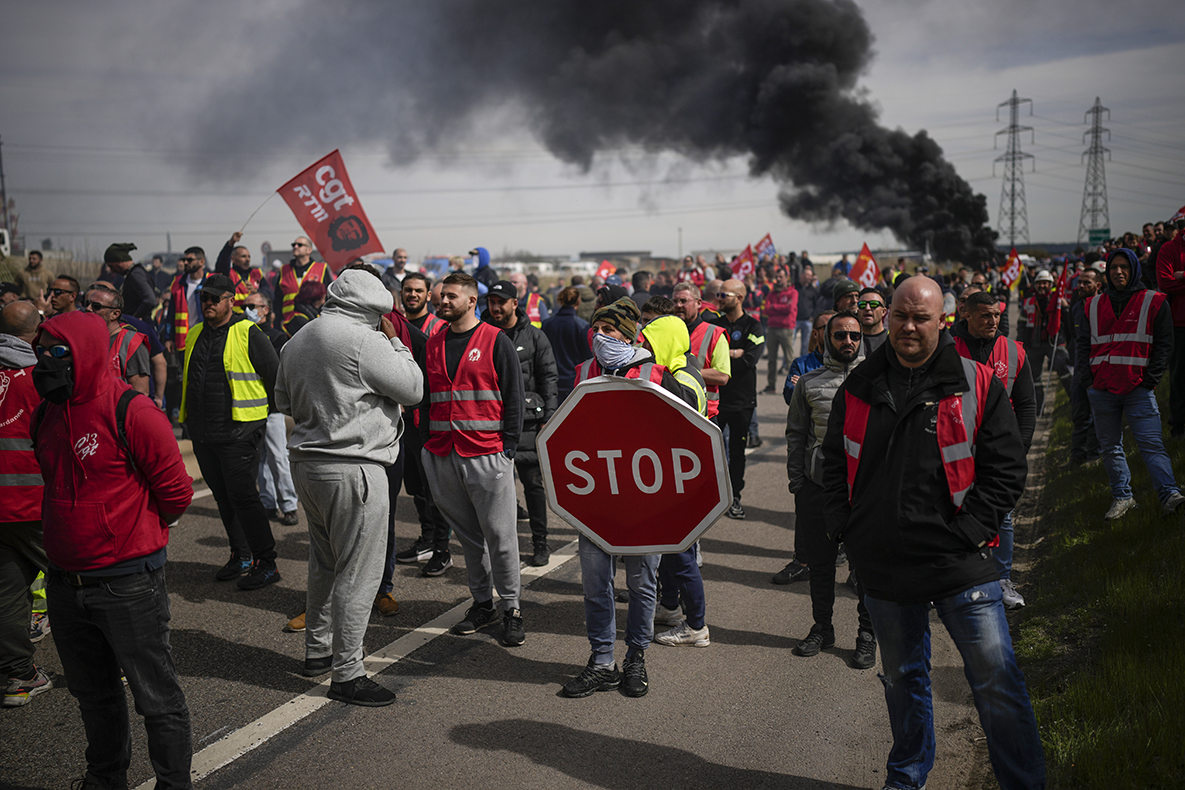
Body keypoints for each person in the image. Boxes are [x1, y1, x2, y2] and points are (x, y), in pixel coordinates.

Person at [822, 276, 1045, 790]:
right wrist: (846, 529)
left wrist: (970, 530)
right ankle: (907, 776)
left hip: (960, 562)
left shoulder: (977, 382)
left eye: (920, 317)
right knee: (902, 680)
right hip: (884, 566)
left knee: (996, 681)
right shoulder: (859, 384)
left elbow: (1006, 469)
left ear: (941, 319)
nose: (907, 326)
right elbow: (831, 463)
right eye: (900, 314)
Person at [33, 310, 194, 789]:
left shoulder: (134, 411)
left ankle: (173, 783)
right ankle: (104, 779)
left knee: (156, 698)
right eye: (40, 353)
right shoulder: (48, 411)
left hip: (127, 584)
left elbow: (177, 494)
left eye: (56, 353)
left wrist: (129, 534)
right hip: (64, 583)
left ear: (84, 353)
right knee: (93, 696)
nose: (44, 363)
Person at [274, 269, 422, 706]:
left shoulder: (298, 338)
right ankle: (348, 672)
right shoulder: (365, 339)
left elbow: (283, 400)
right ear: (373, 308)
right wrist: (395, 342)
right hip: (355, 465)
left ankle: (318, 650)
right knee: (360, 573)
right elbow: (412, 389)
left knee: (325, 563)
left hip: (308, 463)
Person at [560, 302, 693, 698]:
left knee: (641, 583)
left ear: (630, 334)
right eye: (596, 326)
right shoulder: (583, 373)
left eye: (611, 329)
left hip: (644, 506)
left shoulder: (657, 375)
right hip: (597, 506)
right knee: (595, 585)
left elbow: (683, 434)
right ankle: (602, 661)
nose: (601, 335)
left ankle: (636, 656)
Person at [421, 272, 525, 647]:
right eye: (440, 296)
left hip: (487, 452)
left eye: (450, 296)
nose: (442, 301)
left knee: (501, 537)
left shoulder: (496, 341)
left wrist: (508, 448)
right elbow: (426, 398)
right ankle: (483, 604)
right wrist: (426, 447)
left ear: (470, 300)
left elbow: (514, 397)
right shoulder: (433, 344)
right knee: (469, 539)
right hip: (442, 452)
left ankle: (511, 607)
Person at [180, 274, 282, 589]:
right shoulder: (195, 333)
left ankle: (267, 563)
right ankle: (241, 555)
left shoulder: (248, 332)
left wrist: (261, 419)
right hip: (203, 433)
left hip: (240, 431)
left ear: (230, 299)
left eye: (214, 298)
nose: (208, 303)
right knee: (224, 498)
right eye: (203, 298)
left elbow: (274, 376)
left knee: (244, 498)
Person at [786, 310, 875, 668]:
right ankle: (822, 628)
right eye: (840, 335)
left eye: (854, 335)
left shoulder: (877, 380)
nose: (848, 342)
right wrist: (797, 484)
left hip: (865, 493)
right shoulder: (808, 383)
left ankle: (867, 634)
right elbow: (796, 435)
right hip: (818, 491)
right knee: (821, 566)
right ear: (826, 338)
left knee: (866, 568)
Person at [1076, 248, 1184, 519]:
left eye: (1124, 267)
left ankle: (1169, 494)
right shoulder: (1092, 304)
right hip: (1101, 388)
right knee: (1110, 447)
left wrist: (1151, 380)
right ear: (1106, 273)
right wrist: (1088, 381)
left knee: (1151, 445)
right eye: (1113, 268)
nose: (1118, 272)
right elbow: (1082, 345)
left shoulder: (1155, 301)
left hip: (1138, 388)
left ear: (1134, 269)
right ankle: (1123, 497)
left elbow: (1164, 345)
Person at [952, 291, 1037, 610]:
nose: (993, 321)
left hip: (998, 452)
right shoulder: (945, 348)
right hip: (953, 450)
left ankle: (1001, 579)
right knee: (950, 512)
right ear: (966, 315)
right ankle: (952, 578)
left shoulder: (1014, 352)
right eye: (985, 315)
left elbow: (1027, 403)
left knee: (1002, 515)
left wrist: (1021, 445)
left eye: (997, 315)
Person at [483, 281, 558, 566]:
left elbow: (549, 379)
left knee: (533, 485)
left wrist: (549, 419)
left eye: (501, 301)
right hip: (493, 423)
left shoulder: (536, 337)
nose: (496, 307)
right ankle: (502, 548)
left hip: (529, 423)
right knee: (495, 488)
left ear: (515, 303)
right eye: (491, 301)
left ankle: (541, 542)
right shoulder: (484, 335)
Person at [0, 302, 50, 707]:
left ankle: (18, 676)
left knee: (8, 594)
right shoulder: (40, 377)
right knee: (85, 582)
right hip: (36, 503)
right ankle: (115, 663)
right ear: (37, 333)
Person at [707, 279, 763, 518]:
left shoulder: (754, 326)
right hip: (714, 399)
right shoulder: (712, 325)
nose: (719, 298)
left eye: (724, 294)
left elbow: (749, 361)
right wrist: (732, 353)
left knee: (737, 451)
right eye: (718, 293)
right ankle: (711, 497)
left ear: (739, 298)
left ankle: (734, 496)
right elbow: (706, 360)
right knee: (710, 451)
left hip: (742, 400)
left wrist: (722, 360)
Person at [242, 294, 300, 526]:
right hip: (251, 405)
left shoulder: (276, 336)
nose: (247, 310)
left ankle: (288, 504)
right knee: (261, 458)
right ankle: (268, 502)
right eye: (244, 306)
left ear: (265, 309)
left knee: (277, 456)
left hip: (272, 406)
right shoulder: (243, 333)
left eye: (252, 306)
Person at [672, 282, 730, 420]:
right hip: (673, 410)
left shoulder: (715, 334)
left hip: (704, 414)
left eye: (683, 301)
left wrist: (682, 374)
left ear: (699, 303)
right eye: (675, 301)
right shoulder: (668, 332)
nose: (678, 305)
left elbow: (722, 376)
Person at [82, 283, 152, 396]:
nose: (88, 309)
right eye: (86, 304)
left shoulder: (131, 343)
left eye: (96, 306)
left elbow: (140, 394)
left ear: (115, 314)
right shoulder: (82, 338)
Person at [1018, 269, 1070, 415]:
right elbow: (1021, 324)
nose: (1041, 286)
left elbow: (1068, 322)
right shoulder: (1028, 302)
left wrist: (1065, 308)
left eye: (1045, 283)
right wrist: (1020, 345)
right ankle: (1037, 410)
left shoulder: (1058, 301)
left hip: (1054, 343)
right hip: (1033, 345)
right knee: (1035, 379)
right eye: (1039, 283)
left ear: (1051, 285)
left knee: (1064, 370)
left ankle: (1075, 402)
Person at [1066, 269, 1103, 465]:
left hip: (1100, 368)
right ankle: (1076, 457)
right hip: (1081, 367)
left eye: (1086, 283)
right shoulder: (1076, 307)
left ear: (1098, 286)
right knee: (1079, 414)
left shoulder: (1105, 306)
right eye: (1079, 282)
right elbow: (1074, 335)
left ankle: (1094, 456)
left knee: (1097, 414)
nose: (1081, 286)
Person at [1155, 217, 1185, 437]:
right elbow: (1165, 283)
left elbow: (1174, 280)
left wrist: (1182, 276)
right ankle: (1179, 425)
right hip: (1179, 323)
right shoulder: (1168, 249)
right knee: (1179, 375)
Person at [542, 286, 592, 403]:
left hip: (551, 380)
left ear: (560, 300)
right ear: (578, 302)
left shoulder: (547, 324)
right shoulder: (581, 326)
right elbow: (587, 356)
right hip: (573, 380)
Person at [273, 236, 333, 327]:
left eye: (299, 245)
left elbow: (329, 296)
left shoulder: (321, 268)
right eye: (294, 245)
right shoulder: (284, 270)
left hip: (314, 321)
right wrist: (279, 319)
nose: (295, 247)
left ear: (309, 250)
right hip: (288, 323)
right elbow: (277, 299)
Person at [762, 268, 797, 393]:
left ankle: (794, 386)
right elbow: (766, 309)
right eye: (777, 277)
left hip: (786, 328)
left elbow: (790, 308)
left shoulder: (792, 292)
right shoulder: (771, 293)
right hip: (772, 328)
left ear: (786, 277)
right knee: (772, 360)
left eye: (781, 277)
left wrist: (774, 307)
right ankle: (771, 385)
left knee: (789, 360)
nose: (778, 279)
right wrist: (777, 308)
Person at [214, 231, 266, 311]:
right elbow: (222, 263)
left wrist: (257, 291)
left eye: (249, 257)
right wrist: (231, 243)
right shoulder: (228, 274)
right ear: (233, 259)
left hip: (254, 319)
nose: (247, 259)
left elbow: (270, 293)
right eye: (243, 256)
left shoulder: (257, 273)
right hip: (235, 319)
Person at [105, 243, 157, 321]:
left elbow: (150, 300)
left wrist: (133, 319)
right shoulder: (133, 274)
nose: (112, 271)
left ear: (119, 261)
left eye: (112, 266)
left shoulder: (135, 274)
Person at [855, 287, 888, 353]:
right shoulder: (850, 339)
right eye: (862, 305)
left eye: (874, 304)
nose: (867, 308)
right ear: (858, 311)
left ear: (883, 312)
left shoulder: (892, 339)